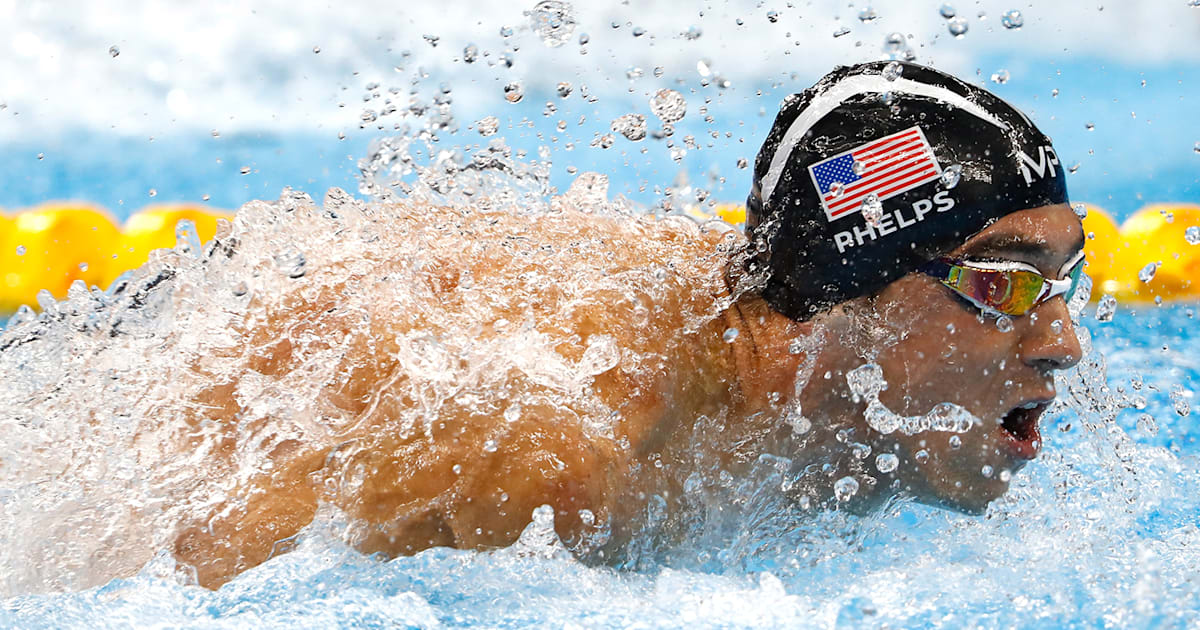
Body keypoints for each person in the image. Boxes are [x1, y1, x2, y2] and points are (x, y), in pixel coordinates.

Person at [172, 61, 1083, 588]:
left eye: (1062, 284)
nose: (1062, 344)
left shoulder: (834, 421)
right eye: (1003, 285)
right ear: (844, 293)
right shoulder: (562, 454)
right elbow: (206, 579)